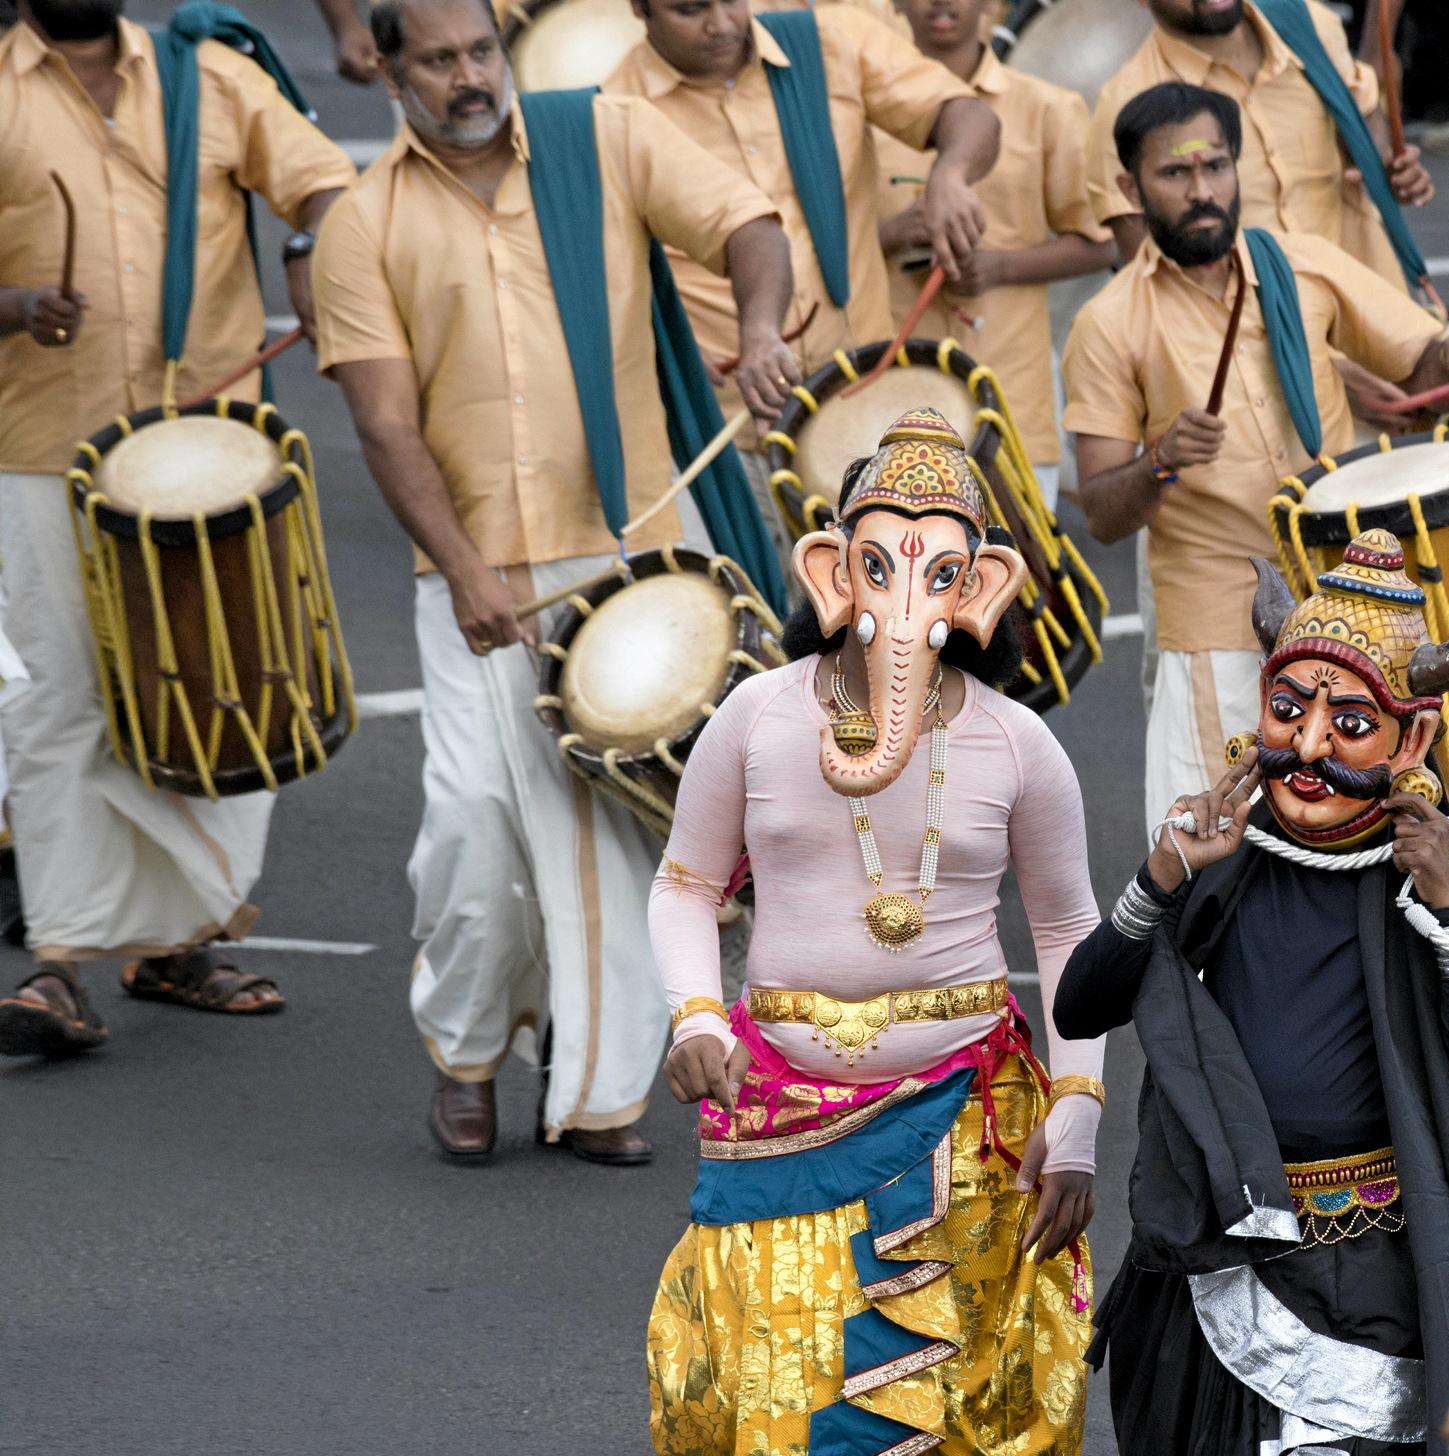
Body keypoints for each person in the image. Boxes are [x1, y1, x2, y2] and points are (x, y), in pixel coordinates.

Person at [646, 408, 1105, 1456]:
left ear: (981, 588)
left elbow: (1070, 933)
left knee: (951, 1439)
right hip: (782, 1113)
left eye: (940, 569)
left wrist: (1075, 1117)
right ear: (834, 572)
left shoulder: (1021, 745)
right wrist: (693, 1013)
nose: (906, 592)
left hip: (959, 1119)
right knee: (783, 1423)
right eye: (882, 561)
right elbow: (688, 883)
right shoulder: (755, 717)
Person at [311, 0, 799, 1164]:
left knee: (614, 839)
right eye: (439, 60)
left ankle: (597, 1092)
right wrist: (467, 570)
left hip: (626, 554)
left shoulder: (605, 141)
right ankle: (468, 1053)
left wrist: (769, 324)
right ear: (388, 70)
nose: (471, 77)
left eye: (483, 50)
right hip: (477, 581)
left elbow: (747, 223)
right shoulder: (361, 225)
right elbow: (384, 424)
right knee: (473, 832)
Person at [1052, 531, 1449, 1456]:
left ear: (1412, 734)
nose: (1308, 747)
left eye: (1348, 722)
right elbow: (1080, 1006)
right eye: (1288, 709)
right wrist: (1163, 877)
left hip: (1379, 1274)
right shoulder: (1232, 845)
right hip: (1232, 1268)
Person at [0, 0, 352, 1058]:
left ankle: (181, 941)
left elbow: (328, 183)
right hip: (40, 445)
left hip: (204, 449)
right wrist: (13, 305)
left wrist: (312, 241)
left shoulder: (209, 79)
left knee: (218, 687)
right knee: (65, 697)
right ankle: (59, 960)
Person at [1062, 82, 1449, 827]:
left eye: (1215, 168)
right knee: (1209, 850)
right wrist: (1162, 460)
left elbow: (1419, 365)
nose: (1201, 190)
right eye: (1175, 174)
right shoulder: (1109, 324)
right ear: (1129, 189)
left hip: (1348, 612)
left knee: (1358, 848)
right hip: (1215, 621)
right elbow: (1104, 511)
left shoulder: (1303, 267)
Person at [601, 0, 998, 523]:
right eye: (690, 9)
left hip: (871, 400)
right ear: (639, 7)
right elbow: (610, 275)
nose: (720, 23)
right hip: (733, 426)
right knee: (771, 601)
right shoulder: (614, 112)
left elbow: (969, 114)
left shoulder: (833, 42)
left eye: (730, 1)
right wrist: (656, 342)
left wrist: (950, 173)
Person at [875, 0, 1118, 505]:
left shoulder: (1046, 107)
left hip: (1010, 399)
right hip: (884, 403)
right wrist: (897, 233)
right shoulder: (859, 112)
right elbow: (818, 249)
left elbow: (1103, 241)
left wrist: (1000, 267)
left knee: (1016, 575)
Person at [1081, 0, 1434, 301]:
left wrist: (1388, 168)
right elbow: (1152, 283)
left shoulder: (1308, 24)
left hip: (1373, 316)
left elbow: (1366, 126)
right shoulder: (1126, 106)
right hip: (1254, 356)